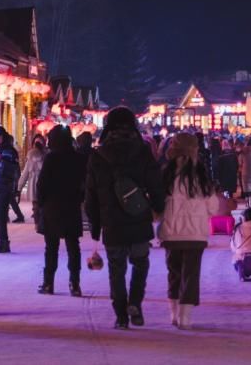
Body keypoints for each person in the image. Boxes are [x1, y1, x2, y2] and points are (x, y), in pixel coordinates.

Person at [84, 106, 166, 330]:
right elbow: (156, 185)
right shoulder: (142, 151)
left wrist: (95, 223)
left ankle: (120, 315)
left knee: (116, 268)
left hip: (112, 221)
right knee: (140, 263)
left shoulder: (98, 156)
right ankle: (135, 304)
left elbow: (90, 194)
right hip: (138, 217)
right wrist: (158, 207)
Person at [158, 133, 230, 330]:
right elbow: (213, 207)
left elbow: (158, 203)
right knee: (190, 275)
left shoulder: (166, 174)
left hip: (171, 233)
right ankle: (185, 317)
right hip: (195, 234)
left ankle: (173, 314)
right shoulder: (201, 176)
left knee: (174, 273)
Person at [34, 124, 86, 297]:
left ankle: (49, 283)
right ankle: (75, 283)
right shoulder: (78, 158)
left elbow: (41, 184)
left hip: (52, 207)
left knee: (51, 247)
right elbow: (83, 184)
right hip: (71, 206)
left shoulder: (51, 158)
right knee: (73, 247)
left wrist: (41, 204)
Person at [19, 134, 46, 218]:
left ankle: (39, 215)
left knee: (41, 202)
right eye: (36, 142)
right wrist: (19, 187)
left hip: (43, 183)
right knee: (36, 202)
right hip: (35, 182)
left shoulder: (47, 156)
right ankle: (37, 215)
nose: (38, 144)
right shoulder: (31, 156)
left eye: (40, 142)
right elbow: (25, 173)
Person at [237, 139, 251, 204]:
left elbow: (240, 163)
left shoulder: (242, 154)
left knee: (246, 186)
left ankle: (247, 201)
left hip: (245, 172)